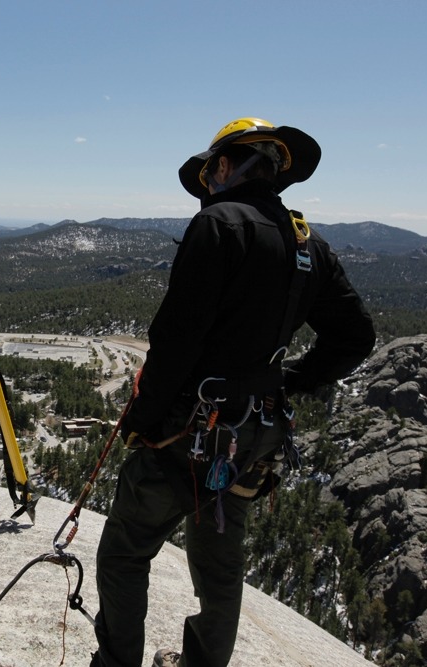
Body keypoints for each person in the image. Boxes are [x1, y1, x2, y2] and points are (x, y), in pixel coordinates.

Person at [91, 118, 376, 667]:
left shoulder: (217, 224)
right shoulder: (307, 243)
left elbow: (176, 338)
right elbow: (355, 336)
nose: (209, 183)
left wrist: (143, 421)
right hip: (255, 433)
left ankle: (116, 662)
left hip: (189, 428)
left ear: (225, 165)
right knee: (219, 562)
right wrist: (290, 378)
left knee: (126, 550)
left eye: (210, 172)